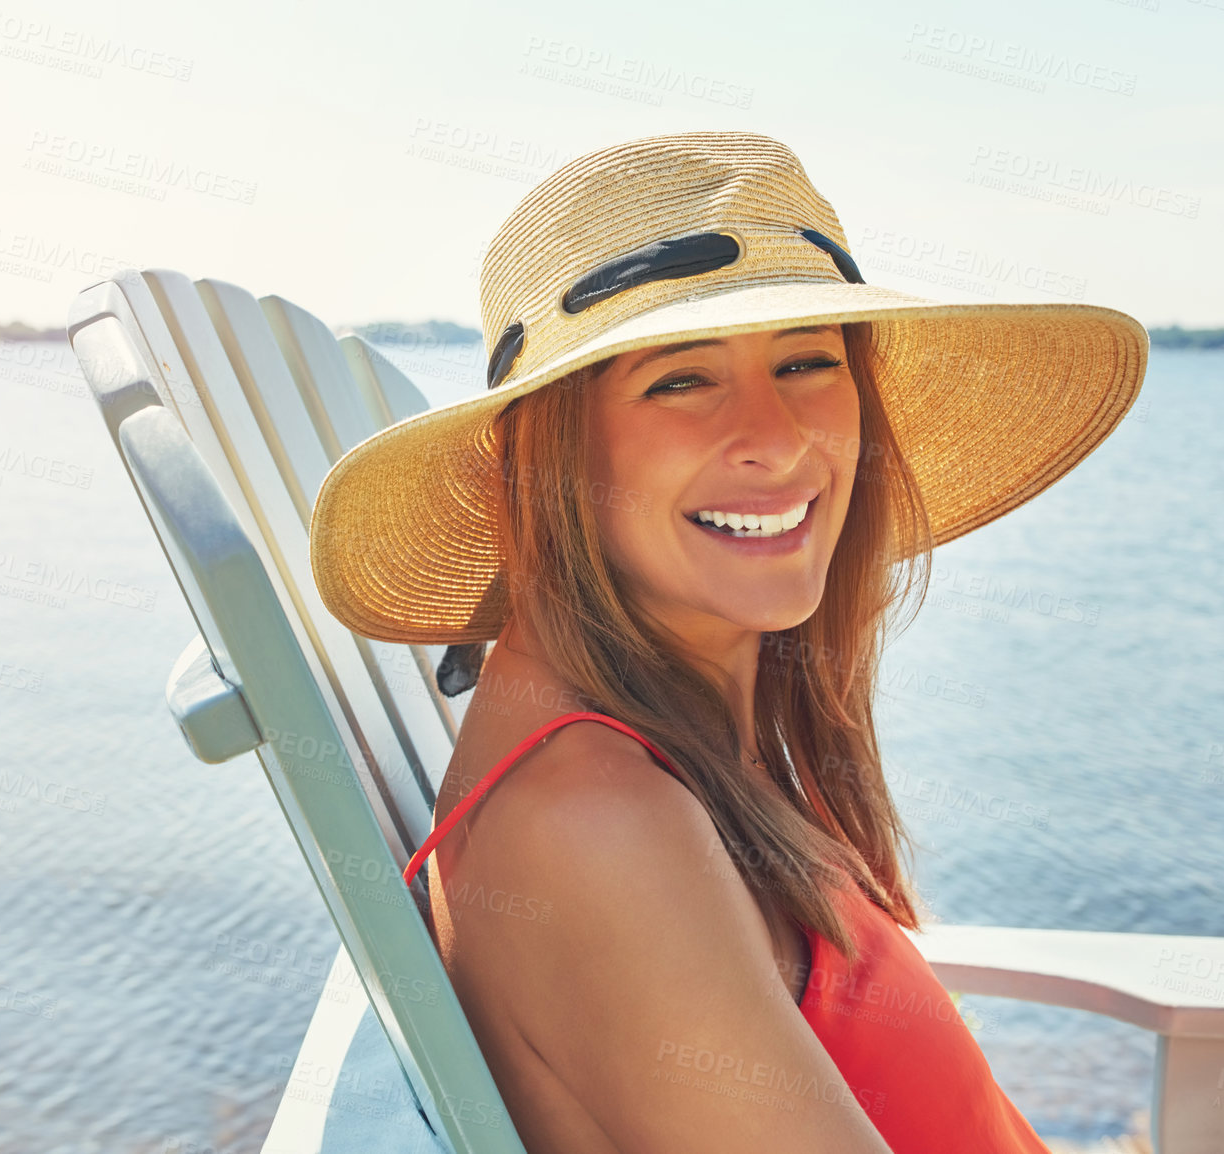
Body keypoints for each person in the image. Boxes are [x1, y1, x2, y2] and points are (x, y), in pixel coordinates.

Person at [308, 132, 1147, 1152]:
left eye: (805, 362)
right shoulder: (594, 823)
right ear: (549, 453)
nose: (779, 436)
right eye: (678, 380)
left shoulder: (693, 748)